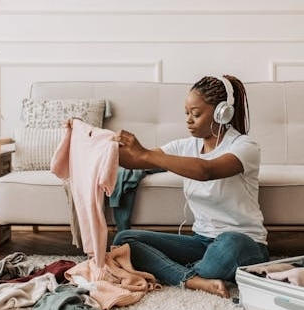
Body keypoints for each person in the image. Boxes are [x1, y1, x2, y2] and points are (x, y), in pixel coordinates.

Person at [111, 75, 269, 298]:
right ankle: (195, 279)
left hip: (244, 244)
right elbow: (134, 160)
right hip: (201, 241)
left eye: (196, 114)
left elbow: (206, 171)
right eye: (186, 113)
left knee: (228, 242)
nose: (188, 120)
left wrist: (145, 153)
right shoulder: (184, 146)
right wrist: (90, 139)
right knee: (124, 240)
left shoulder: (245, 147)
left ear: (221, 113)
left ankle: (176, 271)